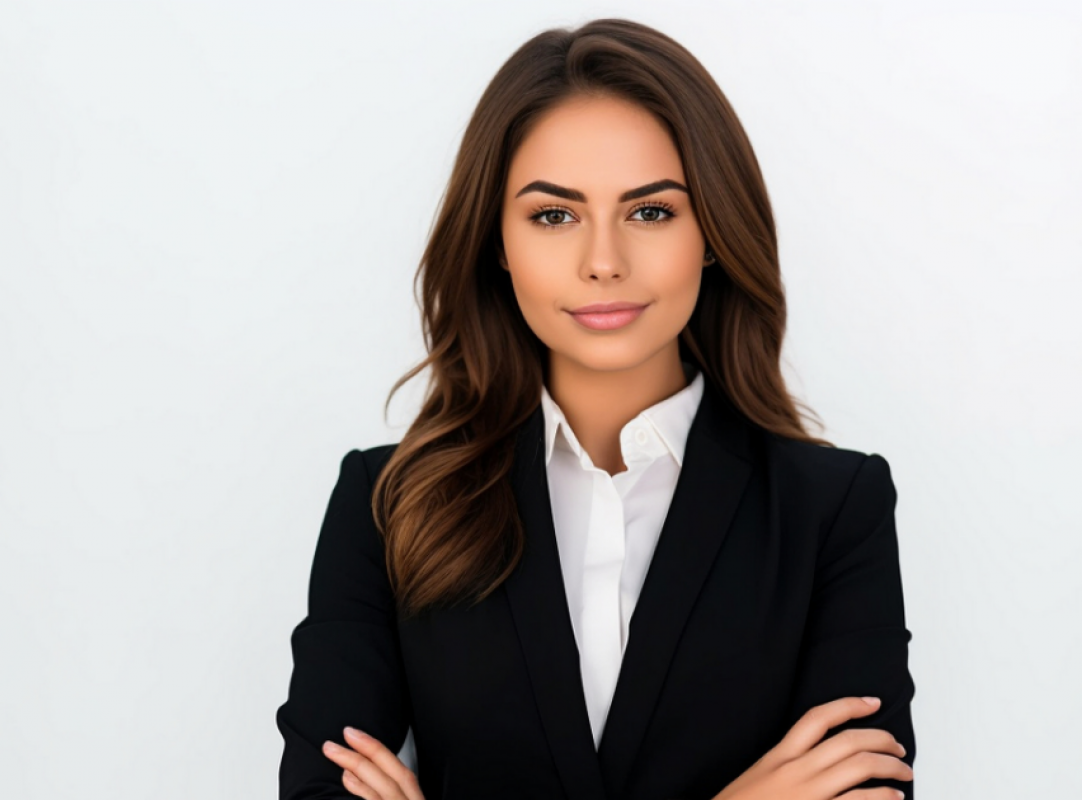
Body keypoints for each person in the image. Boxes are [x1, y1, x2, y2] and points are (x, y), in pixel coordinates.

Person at [276, 17, 916, 800]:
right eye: (554, 215)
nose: (603, 262)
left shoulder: (831, 514)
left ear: (711, 231)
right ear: (497, 243)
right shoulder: (386, 509)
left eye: (651, 212)